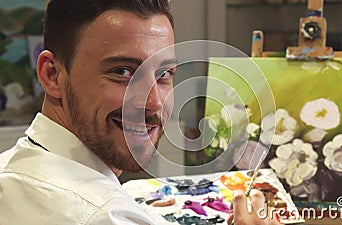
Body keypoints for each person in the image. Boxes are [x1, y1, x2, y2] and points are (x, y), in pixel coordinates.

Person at [0, 0, 280, 224]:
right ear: (52, 75)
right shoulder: (105, 215)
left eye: (164, 74)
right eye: (122, 72)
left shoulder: (10, 168)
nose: (155, 103)